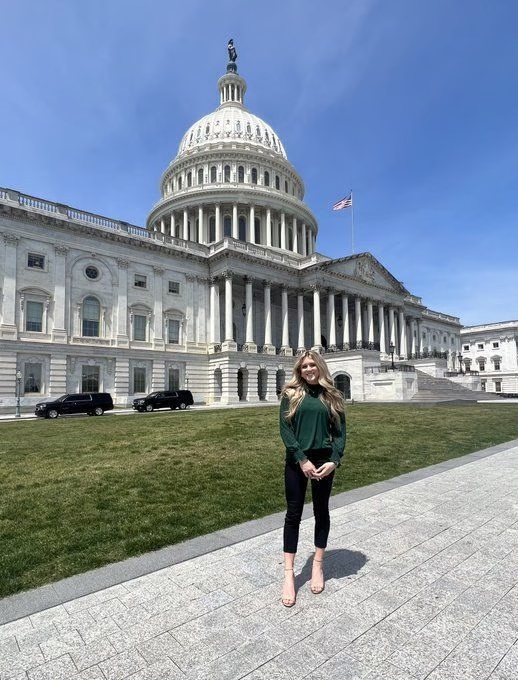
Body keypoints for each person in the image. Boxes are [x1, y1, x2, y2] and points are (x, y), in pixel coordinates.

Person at [279, 350, 346, 607]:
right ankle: (289, 574)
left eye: (312, 365)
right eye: (304, 366)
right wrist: (300, 458)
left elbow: (340, 432)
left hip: (324, 462)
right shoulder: (291, 394)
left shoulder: (332, 395)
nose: (308, 369)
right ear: (300, 369)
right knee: (293, 515)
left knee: (322, 512)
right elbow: (285, 430)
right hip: (298, 462)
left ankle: (318, 565)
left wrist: (334, 460)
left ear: (320, 367)